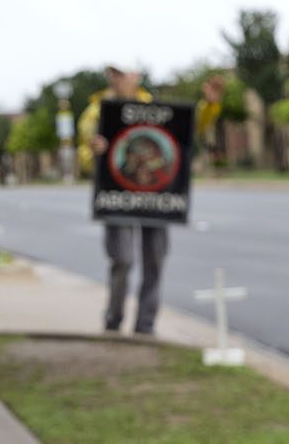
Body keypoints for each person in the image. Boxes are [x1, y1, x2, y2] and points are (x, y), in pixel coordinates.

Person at [77, 67, 222, 334]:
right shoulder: (96, 112)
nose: (118, 79)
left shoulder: (154, 107)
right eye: (113, 74)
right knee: (122, 258)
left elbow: (188, 127)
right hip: (117, 197)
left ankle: (146, 324)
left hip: (157, 200)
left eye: (123, 73)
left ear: (136, 77)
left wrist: (209, 106)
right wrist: (92, 152)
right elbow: (86, 151)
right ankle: (114, 318)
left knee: (154, 259)